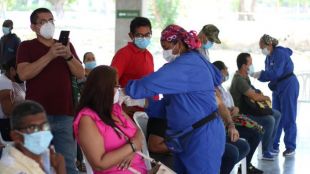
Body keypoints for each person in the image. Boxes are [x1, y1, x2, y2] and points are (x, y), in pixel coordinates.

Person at [125, 24, 225, 173]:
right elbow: (171, 100)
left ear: (178, 44)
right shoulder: (190, 62)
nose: (165, 52)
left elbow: (149, 83)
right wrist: (144, 102)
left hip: (203, 137)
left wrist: (127, 90)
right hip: (185, 136)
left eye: (166, 47)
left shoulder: (188, 64)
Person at [16, 8, 84, 174]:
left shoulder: (66, 46)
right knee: (37, 164)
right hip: (37, 117)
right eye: (43, 21)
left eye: (51, 20)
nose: (49, 24)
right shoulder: (26, 46)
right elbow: (23, 73)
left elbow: (80, 73)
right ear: (33, 27)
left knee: (67, 164)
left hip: (64, 113)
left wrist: (68, 55)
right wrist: (50, 55)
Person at [73, 65, 147, 173]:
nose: (119, 89)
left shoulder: (115, 109)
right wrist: (132, 147)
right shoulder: (87, 119)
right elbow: (99, 164)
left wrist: (132, 150)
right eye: (116, 85)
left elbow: (138, 132)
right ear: (103, 88)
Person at [252, 34, 299, 157]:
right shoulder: (268, 57)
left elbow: (275, 73)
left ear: (269, 45)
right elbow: (269, 74)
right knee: (276, 115)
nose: (262, 49)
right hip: (277, 87)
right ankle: (274, 145)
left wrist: (260, 74)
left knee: (288, 116)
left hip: (289, 85)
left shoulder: (280, 54)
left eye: (262, 47)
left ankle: (290, 146)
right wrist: (258, 75)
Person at [213, 60, 263, 174]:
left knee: (257, 130)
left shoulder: (222, 87)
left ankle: (246, 164)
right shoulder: (213, 89)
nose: (227, 72)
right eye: (226, 69)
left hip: (232, 119)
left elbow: (232, 106)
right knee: (255, 133)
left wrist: (235, 110)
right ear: (219, 72)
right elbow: (219, 109)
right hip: (223, 124)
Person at [230, 52, 281, 161]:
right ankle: (265, 151)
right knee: (269, 120)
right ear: (244, 66)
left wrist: (260, 96)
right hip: (241, 114)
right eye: (250, 63)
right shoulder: (239, 79)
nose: (252, 66)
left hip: (250, 109)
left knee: (277, 114)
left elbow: (253, 92)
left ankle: (269, 146)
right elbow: (254, 96)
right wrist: (266, 98)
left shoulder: (245, 77)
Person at [0, 100, 66, 174]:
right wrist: (60, 171)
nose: (42, 132)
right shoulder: (11, 169)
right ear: (16, 136)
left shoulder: (48, 156)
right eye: (33, 128)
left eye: (45, 126)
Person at [111, 16, 154, 116]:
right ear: (131, 35)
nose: (144, 38)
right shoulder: (123, 54)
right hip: (129, 113)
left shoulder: (149, 55)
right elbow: (111, 83)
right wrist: (120, 109)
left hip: (147, 111)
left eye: (147, 35)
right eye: (139, 35)